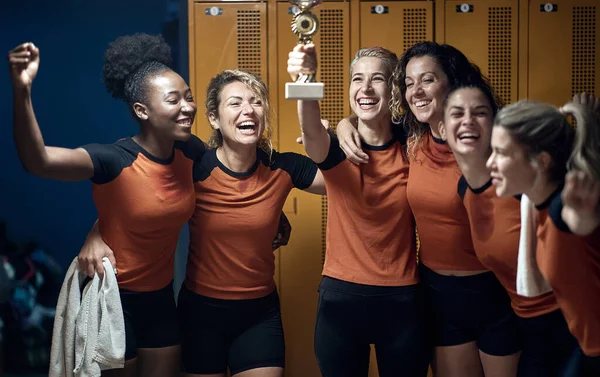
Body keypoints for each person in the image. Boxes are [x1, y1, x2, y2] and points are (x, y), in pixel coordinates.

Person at [82, 69, 326, 377]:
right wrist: (95, 233)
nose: (248, 110)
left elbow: (344, 184)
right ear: (214, 118)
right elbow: (134, 197)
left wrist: (338, 132)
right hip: (201, 314)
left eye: (256, 102)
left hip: (259, 314)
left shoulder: (284, 167)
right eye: (235, 103)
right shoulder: (194, 166)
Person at [8, 33, 205, 376]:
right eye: (174, 100)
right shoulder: (112, 159)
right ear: (142, 110)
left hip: (160, 298)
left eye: (188, 97)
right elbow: (37, 161)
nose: (188, 106)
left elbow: (227, 179)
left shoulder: (190, 151)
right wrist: (22, 90)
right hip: (112, 300)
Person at [336, 42, 520, 377]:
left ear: (452, 83)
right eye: (408, 83)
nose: (416, 91)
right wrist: (344, 123)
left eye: (427, 80)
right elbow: (370, 115)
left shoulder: (491, 140)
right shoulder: (412, 138)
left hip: (496, 291)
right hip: (438, 294)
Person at [288, 44, 429, 377]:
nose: (364, 89)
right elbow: (310, 130)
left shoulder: (413, 148)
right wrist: (305, 78)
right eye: (357, 79)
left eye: (377, 79)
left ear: (394, 89)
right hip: (342, 300)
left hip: (403, 301)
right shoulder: (335, 149)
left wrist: (347, 121)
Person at [439, 83, 581, 376]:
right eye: (457, 113)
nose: (467, 120)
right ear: (442, 128)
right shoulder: (465, 189)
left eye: (480, 113)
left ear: (496, 125)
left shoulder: (523, 183)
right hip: (527, 326)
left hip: (570, 327)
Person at [488, 96, 600, 376]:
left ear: (542, 161)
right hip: (586, 349)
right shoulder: (539, 206)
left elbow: (578, 222)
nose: (490, 162)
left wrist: (583, 218)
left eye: (501, 153)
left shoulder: (565, 207)